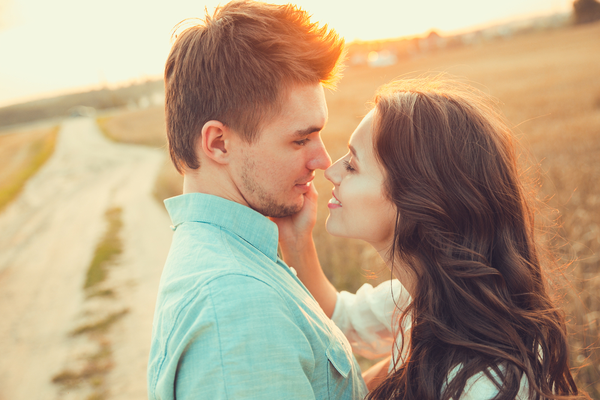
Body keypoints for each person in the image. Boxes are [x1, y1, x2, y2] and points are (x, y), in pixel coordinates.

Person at [274, 77, 586, 399]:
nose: (330, 171)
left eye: (352, 166)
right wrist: (296, 240)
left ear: (415, 199)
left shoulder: (482, 389)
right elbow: (340, 317)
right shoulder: (423, 298)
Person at [147, 1, 368, 399]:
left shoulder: (238, 259)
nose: (322, 160)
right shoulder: (236, 306)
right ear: (218, 143)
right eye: (300, 139)